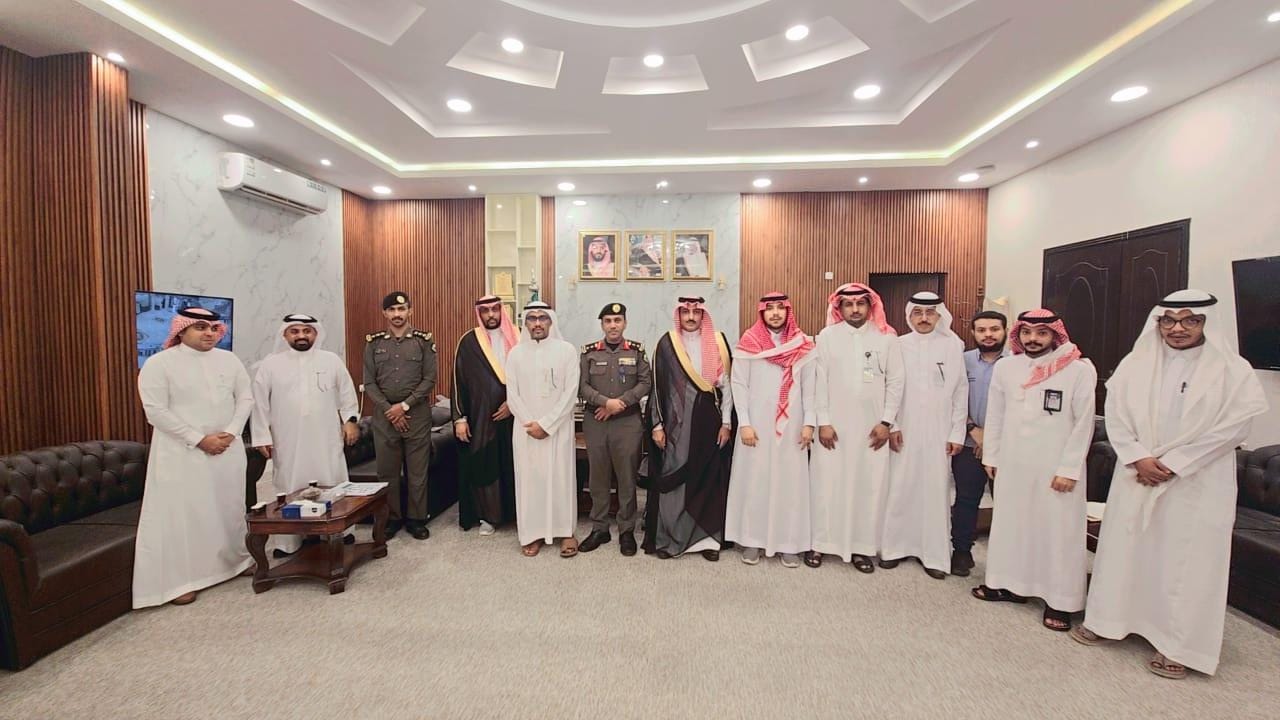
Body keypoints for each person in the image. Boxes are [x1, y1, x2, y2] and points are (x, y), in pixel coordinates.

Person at [1070, 290, 1268, 679]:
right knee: (1125, 549)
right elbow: (1115, 414)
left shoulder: (1232, 370)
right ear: (1158, 322)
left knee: (1187, 562)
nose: (1178, 328)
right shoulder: (1135, 363)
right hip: (1137, 472)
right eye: (1169, 320)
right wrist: (1137, 456)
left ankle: (1178, 645)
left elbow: (1235, 427)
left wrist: (1175, 463)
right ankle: (1109, 621)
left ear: (1207, 323)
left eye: (1190, 320)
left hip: (1197, 480)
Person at [973, 309, 1096, 633]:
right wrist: (992, 456)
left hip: (1056, 467)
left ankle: (1061, 601)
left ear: (1055, 334)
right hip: (1014, 463)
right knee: (1012, 525)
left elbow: (1084, 423)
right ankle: (1008, 584)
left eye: (1041, 333)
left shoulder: (1078, 369)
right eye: (1026, 332)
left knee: (1058, 532)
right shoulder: (1007, 367)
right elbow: (996, 415)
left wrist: (1069, 469)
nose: (1033, 339)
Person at [133, 307, 254, 607]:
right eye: (200, 327)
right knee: (184, 515)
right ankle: (180, 582)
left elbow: (245, 398)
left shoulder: (229, 360)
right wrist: (199, 439)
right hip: (181, 453)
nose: (209, 333)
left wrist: (231, 432)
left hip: (227, 448)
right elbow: (155, 411)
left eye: (213, 328)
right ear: (181, 330)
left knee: (228, 508)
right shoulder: (159, 364)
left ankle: (235, 562)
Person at [808, 283, 904, 572]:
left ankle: (862, 548)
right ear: (839, 308)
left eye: (860, 303)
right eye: (848, 304)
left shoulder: (887, 338)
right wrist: (823, 421)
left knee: (868, 486)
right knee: (827, 484)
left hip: (871, 428)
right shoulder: (827, 337)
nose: (854, 309)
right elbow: (819, 381)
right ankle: (821, 543)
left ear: (870, 306)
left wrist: (886, 422)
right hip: (833, 427)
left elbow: (896, 382)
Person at [250, 314, 359, 557]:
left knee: (333, 479)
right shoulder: (271, 365)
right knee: (289, 484)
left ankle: (339, 531)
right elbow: (259, 403)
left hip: (326, 435)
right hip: (288, 438)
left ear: (315, 334)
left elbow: (347, 393)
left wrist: (350, 421)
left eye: (307, 331)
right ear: (285, 335)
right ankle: (289, 541)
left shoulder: (330, 360)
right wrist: (262, 435)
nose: (301, 335)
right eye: (295, 331)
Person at [726, 292, 817, 568]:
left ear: (788, 312)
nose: (775, 313)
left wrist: (809, 423)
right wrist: (744, 423)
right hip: (755, 428)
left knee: (790, 485)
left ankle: (789, 543)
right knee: (755, 482)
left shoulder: (802, 344)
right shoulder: (749, 343)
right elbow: (739, 385)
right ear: (762, 312)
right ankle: (752, 540)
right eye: (770, 308)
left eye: (780, 308)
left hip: (792, 427)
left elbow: (810, 388)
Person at [880, 292, 967, 579]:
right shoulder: (899, 344)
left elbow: (960, 390)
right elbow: (889, 386)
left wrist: (957, 432)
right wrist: (892, 425)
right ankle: (894, 548)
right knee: (900, 486)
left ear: (939, 315)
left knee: (935, 489)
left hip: (940, 431)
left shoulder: (953, 345)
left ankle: (934, 556)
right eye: (918, 312)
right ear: (909, 316)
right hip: (904, 429)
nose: (924, 318)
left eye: (930, 313)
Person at [643, 296, 735, 561]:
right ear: (679, 315)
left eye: (696, 312)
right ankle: (672, 536)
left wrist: (726, 423)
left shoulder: (718, 342)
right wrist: (657, 425)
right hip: (676, 425)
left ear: (703, 315)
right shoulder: (667, 343)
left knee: (709, 479)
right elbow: (657, 388)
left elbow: (727, 387)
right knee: (675, 477)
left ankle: (707, 540)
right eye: (686, 312)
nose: (691, 317)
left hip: (710, 423)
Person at [506, 301, 581, 558]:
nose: (537, 323)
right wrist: (532, 424)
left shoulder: (566, 351)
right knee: (530, 481)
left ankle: (566, 532)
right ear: (525, 323)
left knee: (561, 478)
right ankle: (533, 533)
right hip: (526, 430)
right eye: (532, 318)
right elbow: (512, 395)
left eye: (542, 318)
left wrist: (547, 424)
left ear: (551, 321)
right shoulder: (515, 354)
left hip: (558, 429)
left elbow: (571, 393)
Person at [578, 303, 652, 556]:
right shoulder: (589, 352)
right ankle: (599, 528)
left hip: (627, 423)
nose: (613, 325)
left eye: (617, 320)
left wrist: (618, 404)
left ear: (625, 323)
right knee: (598, 476)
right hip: (596, 421)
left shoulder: (637, 351)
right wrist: (604, 402)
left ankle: (626, 530)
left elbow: (645, 382)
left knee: (626, 477)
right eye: (608, 321)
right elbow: (582, 386)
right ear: (602, 324)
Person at [363, 291, 437, 540]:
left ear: (410, 311)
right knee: (387, 472)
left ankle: (417, 519)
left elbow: (429, 379)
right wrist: (390, 409)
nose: (397, 314)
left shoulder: (423, 341)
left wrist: (404, 406)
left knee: (417, 472)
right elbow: (369, 382)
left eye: (401, 309)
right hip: (384, 417)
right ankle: (391, 518)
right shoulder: (373, 343)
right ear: (385, 313)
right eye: (392, 310)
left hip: (417, 415)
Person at [452, 295, 519, 536]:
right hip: (481, 418)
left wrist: (513, 404)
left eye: (495, 309)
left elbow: (530, 378)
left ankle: (516, 514)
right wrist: (460, 418)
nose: (491, 315)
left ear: (502, 310)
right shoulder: (469, 341)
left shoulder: (519, 337)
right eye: (485, 310)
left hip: (517, 416)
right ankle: (488, 516)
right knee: (485, 464)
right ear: (479, 313)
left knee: (515, 463)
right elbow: (458, 381)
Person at [950, 310, 1009, 576]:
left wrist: (993, 440)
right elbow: (952, 399)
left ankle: (1005, 560)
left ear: (1005, 331)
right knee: (966, 499)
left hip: (1006, 447)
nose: (988, 335)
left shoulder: (1017, 364)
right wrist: (974, 430)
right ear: (973, 332)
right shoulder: (961, 361)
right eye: (982, 330)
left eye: (994, 329)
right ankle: (962, 552)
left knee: (1007, 503)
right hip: (968, 442)